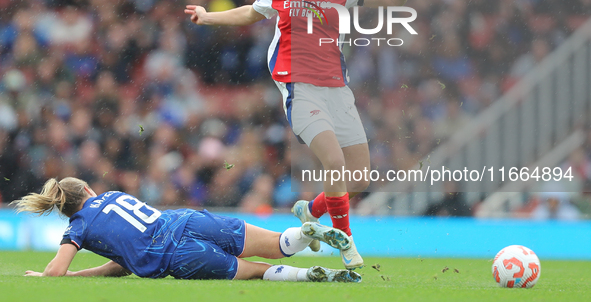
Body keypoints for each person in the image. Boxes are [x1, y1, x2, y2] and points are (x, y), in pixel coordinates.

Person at [185, 0, 416, 270]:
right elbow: (250, 12)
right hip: (299, 86)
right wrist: (207, 16)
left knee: (359, 177)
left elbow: (390, 0)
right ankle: (345, 241)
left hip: (337, 87)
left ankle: (312, 210)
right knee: (334, 163)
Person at [12, 177, 361, 283]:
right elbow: (121, 263)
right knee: (275, 244)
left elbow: (56, 270)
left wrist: (53, 276)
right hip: (185, 220)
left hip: (177, 255)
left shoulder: (80, 225)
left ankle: (316, 276)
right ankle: (305, 233)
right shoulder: (114, 195)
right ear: (88, 190)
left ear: (63, 208)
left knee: (259, 271)